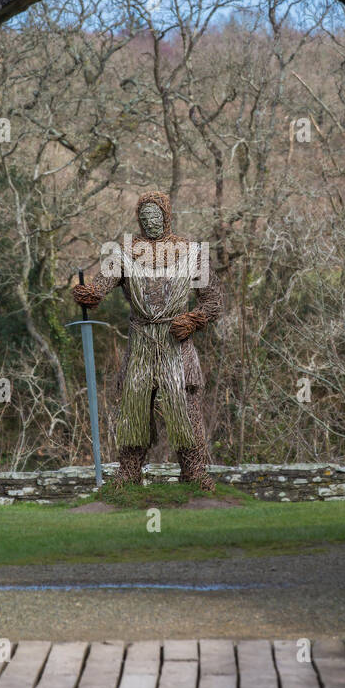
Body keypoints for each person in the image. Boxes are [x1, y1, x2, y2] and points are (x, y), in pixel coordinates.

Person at [71, 190, 222, 490]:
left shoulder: (192, 253)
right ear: (138, 220)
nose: (150, 222)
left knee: (187, 407)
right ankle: (129, 472)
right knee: (135, 408)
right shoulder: (125, 253)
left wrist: (194, 319)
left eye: (155, 217)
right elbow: (101, 285)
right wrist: (91, 294)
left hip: (176, 344)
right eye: (144, 218)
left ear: (166, 217)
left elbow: (213, 301)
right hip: (141, 341)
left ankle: (194, 471)